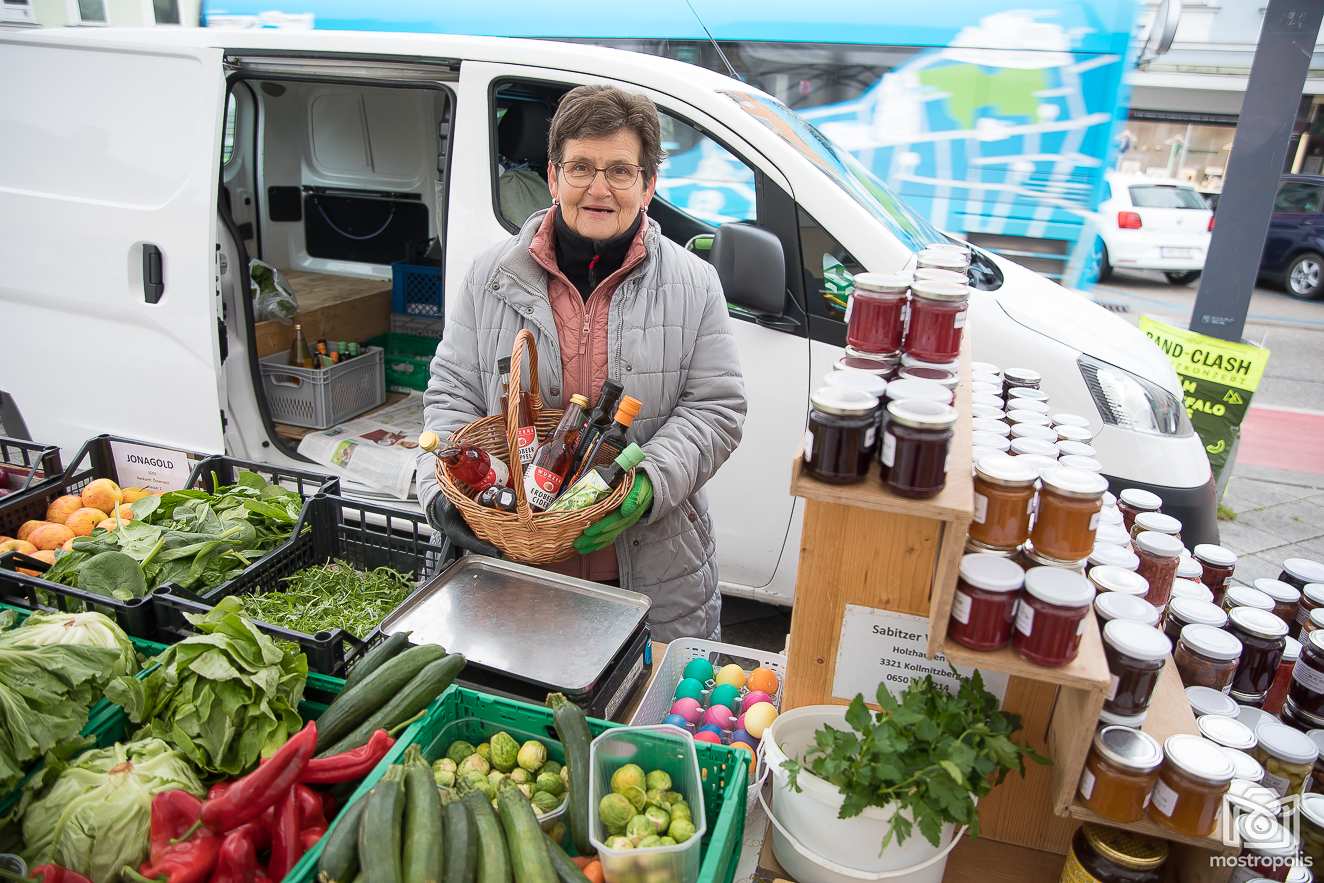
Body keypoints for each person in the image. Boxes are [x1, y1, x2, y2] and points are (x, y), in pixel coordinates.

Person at [416, 85, 747, 642]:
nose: (599, 189)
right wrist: (441, 493)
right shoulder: (490, 276)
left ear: (649, 184)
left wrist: (646, 483)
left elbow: (715, 409)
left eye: (620, 170)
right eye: (581, 168)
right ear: (553, 176)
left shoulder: (694, 284)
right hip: (512, 569)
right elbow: (452, 395)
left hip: (650, 575)